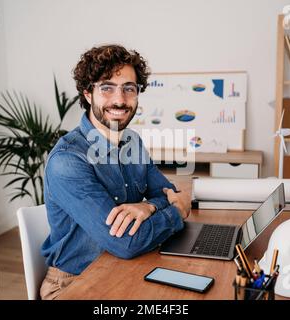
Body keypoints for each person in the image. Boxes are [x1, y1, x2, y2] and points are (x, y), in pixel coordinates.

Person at [40, 44, 190, 300]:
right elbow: (127, 242)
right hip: (73, 284)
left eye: (128, 89)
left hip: (122, 268)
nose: (120, 100)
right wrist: (177, 211)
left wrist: (148, 208)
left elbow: (168, 192)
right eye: (107, 88)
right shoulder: (67, 160)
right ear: (88, 94)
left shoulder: (132, 142)